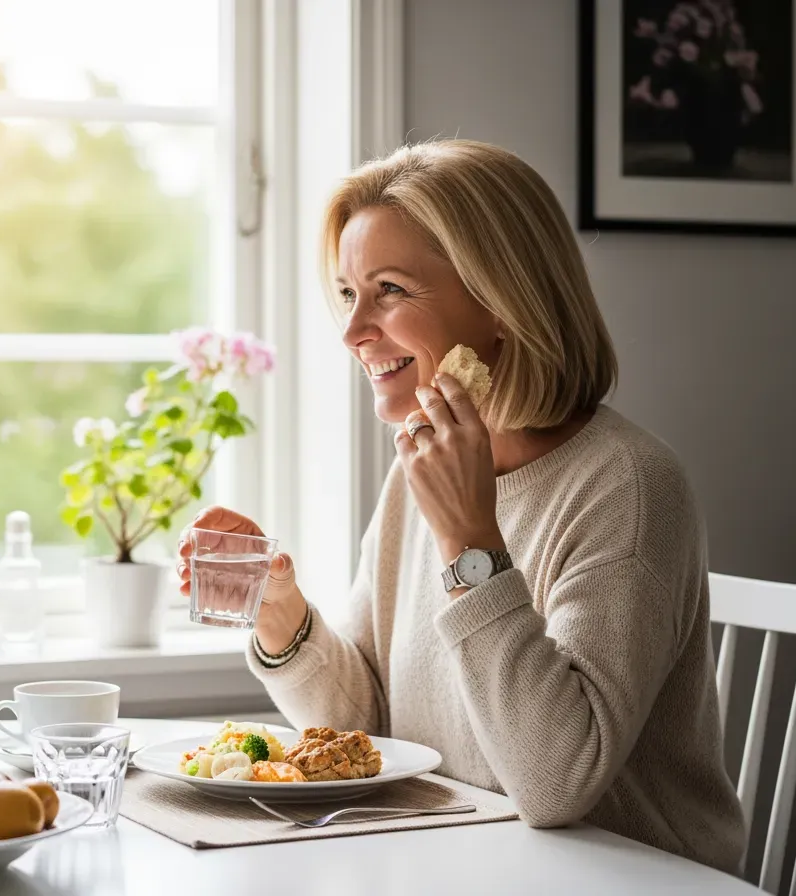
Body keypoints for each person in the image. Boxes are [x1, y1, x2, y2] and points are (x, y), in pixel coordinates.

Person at [176, 140, 745, 873]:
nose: (352, 333)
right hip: (470, 866)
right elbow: (369, 729)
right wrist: (280, 611)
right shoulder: (423, 464)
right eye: (349, 294)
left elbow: (554, 783)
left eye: (389, 290)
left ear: (502, 302)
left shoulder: (629, 486)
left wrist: (468, 538)